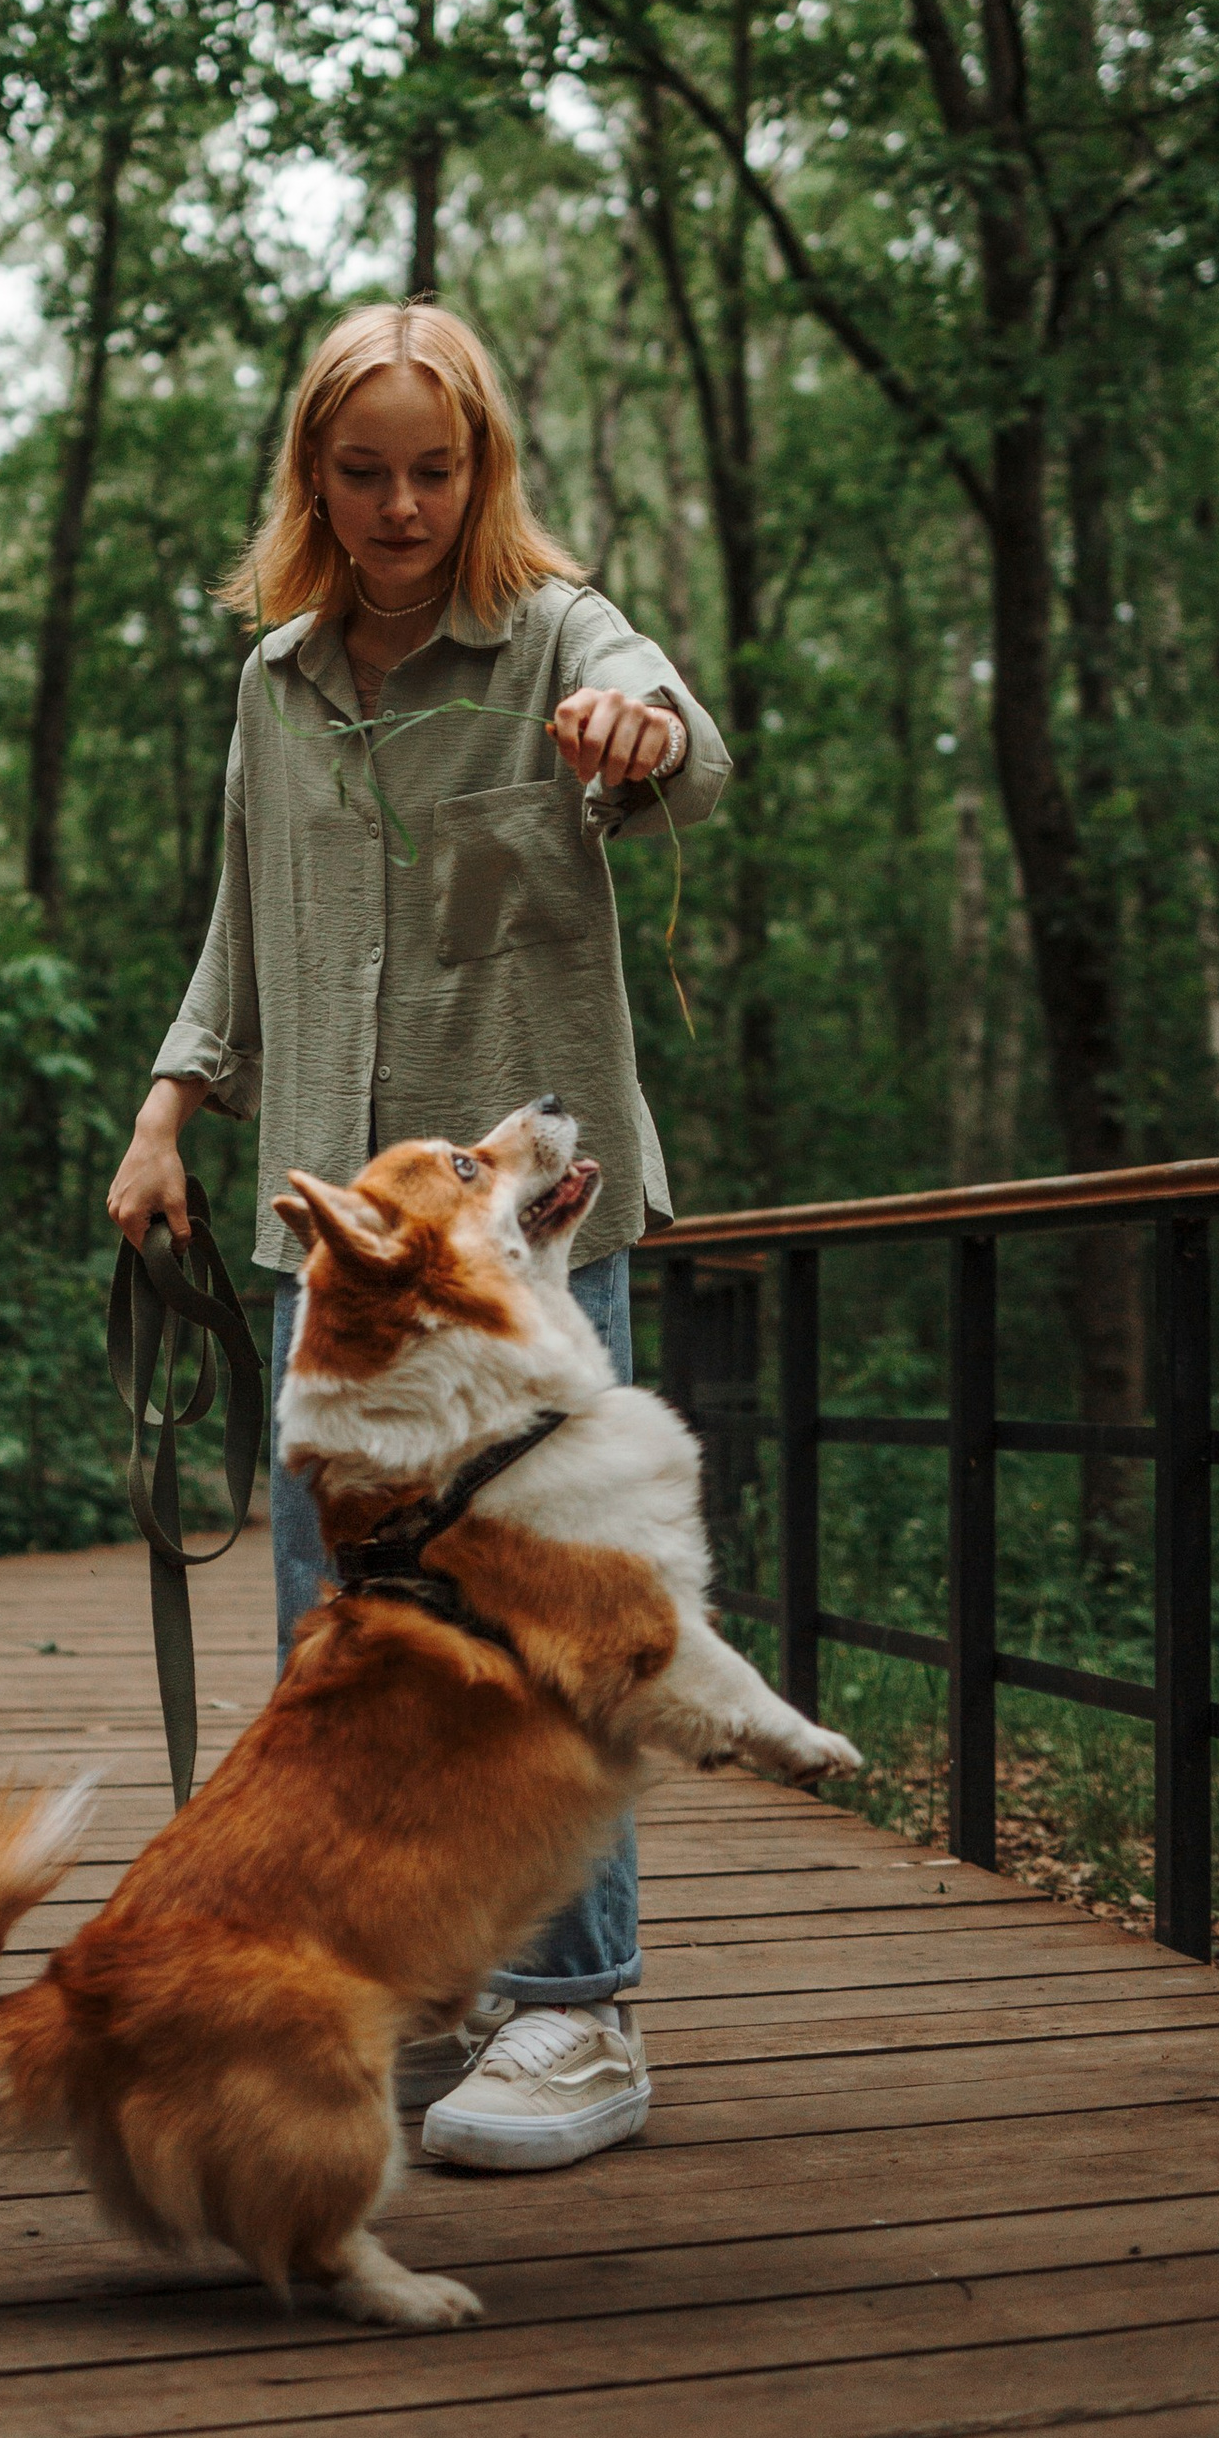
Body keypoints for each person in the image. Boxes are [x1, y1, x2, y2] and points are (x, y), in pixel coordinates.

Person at [106, 299, 727, 2173]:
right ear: (313, 475)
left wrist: (635, 731)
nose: (398, 506)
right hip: (341, 1251)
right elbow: (242, 913)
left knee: (544, 1631)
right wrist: (167, 1108)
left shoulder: (554, 634)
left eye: (433, 471)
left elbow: (677, 746)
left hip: (527, 1239)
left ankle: (579, 2019)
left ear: (484, 471)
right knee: (356, 1634)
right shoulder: (276, 680)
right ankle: (406, 1992)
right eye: (361, 472)